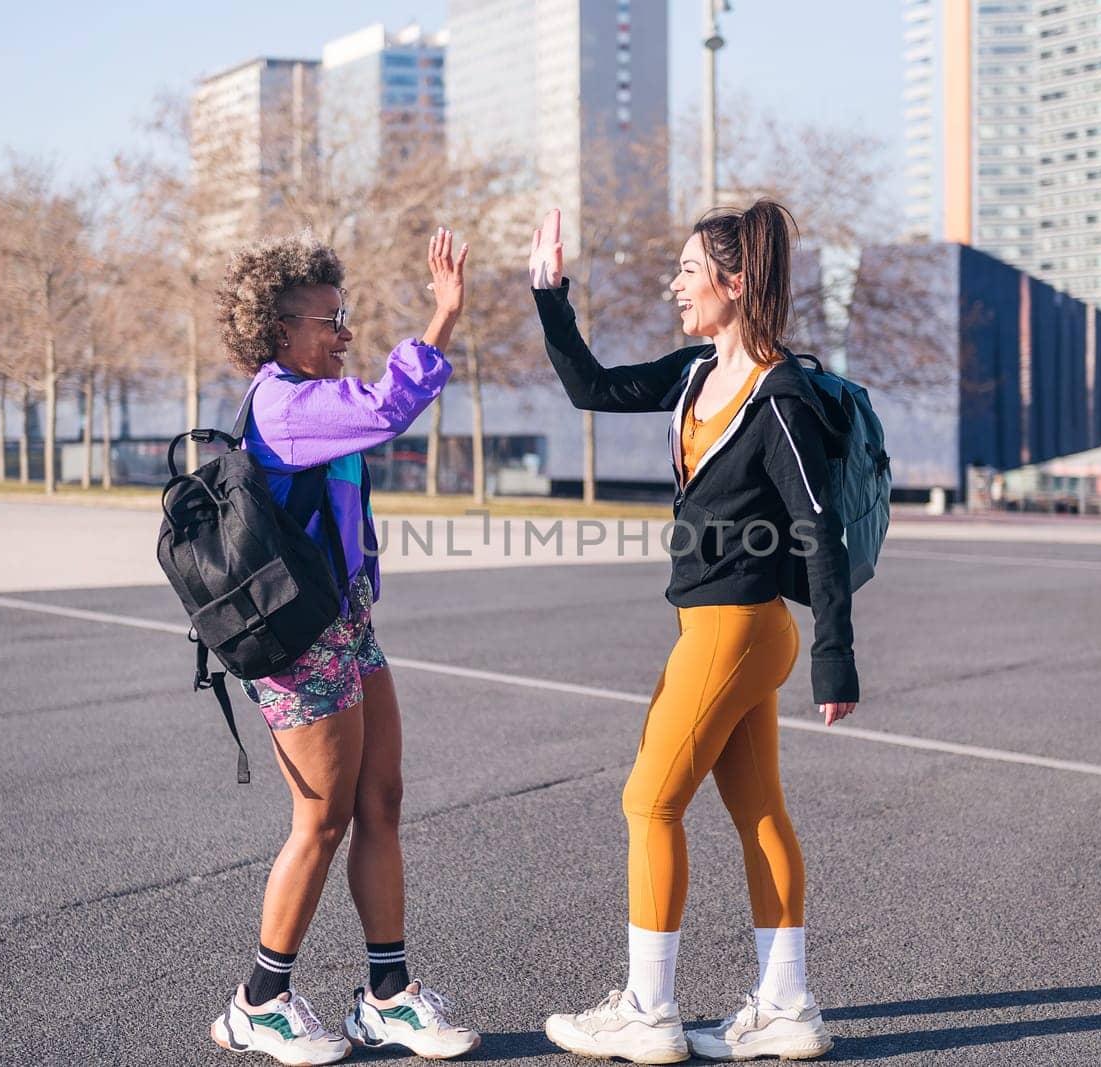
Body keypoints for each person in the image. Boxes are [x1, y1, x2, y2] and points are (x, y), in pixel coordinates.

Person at [529, 203, 857, 1063]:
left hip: (739, 629)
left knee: (649, 800)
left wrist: (836, 658)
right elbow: (591, 387)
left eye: (686, 271)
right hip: (720, 626)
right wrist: (548, 294)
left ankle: (648, 1010)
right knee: (758, 814)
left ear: (734, 282)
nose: (674, 285)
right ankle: (786, 1007)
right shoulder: (694, 374)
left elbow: (819, 527)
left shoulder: (777, 393)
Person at [208, 228, 481, 1064]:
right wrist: (441, 318)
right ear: (280, 330)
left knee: (381, 801)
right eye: (331, 318)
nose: (345, 331)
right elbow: (387, 406)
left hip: (346, 623)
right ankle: (259, 1001)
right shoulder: (285, 405)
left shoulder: (307, 397)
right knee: (321, 818)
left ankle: (387, 995)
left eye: (345, 314)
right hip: (296, 640)